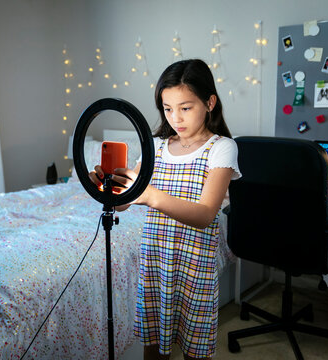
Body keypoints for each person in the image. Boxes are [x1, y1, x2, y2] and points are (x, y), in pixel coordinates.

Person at [89, 59, 241, 360]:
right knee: (154, 348)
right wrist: (106, 191)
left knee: (195, 350)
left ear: (209, 102)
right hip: (156, 262)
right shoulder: (156, 146)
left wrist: (151, 196)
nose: (176, 118)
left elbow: (205, 214)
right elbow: (128, 200)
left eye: (185, 107)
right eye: (168, 108)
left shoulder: (222, 147)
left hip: (196, 265)